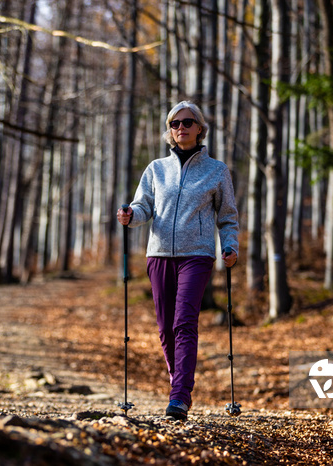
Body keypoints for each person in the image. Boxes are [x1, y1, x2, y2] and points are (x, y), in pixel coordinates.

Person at [116, 100, 239, 420]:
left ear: (200, 129)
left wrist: (230, 246)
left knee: (184, 322)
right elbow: (143, 207)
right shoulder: (156, 169)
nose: (180, 128)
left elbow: (228, 217)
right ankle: (178, 378)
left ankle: (180, 396)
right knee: (165, 329)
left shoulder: (216, 170)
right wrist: (131, 214)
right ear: (169, 130)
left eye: (187, 122)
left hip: (197, 256)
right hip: (158, 255)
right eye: (174, 123)